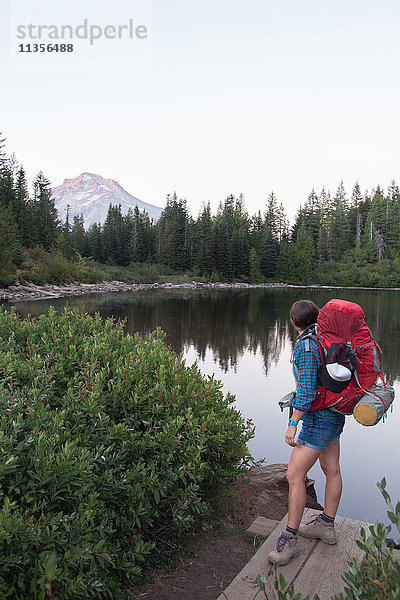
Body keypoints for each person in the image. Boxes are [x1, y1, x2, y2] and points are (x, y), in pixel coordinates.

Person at [267, 299, 345, 566]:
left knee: (294, 474)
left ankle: (290, 541)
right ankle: (326, 525)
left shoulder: (306, 345)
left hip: (318, 419)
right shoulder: (324, 338)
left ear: (292, 321)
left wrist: (293, 423)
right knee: (331, 469)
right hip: (334, 414)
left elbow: (308, 391)